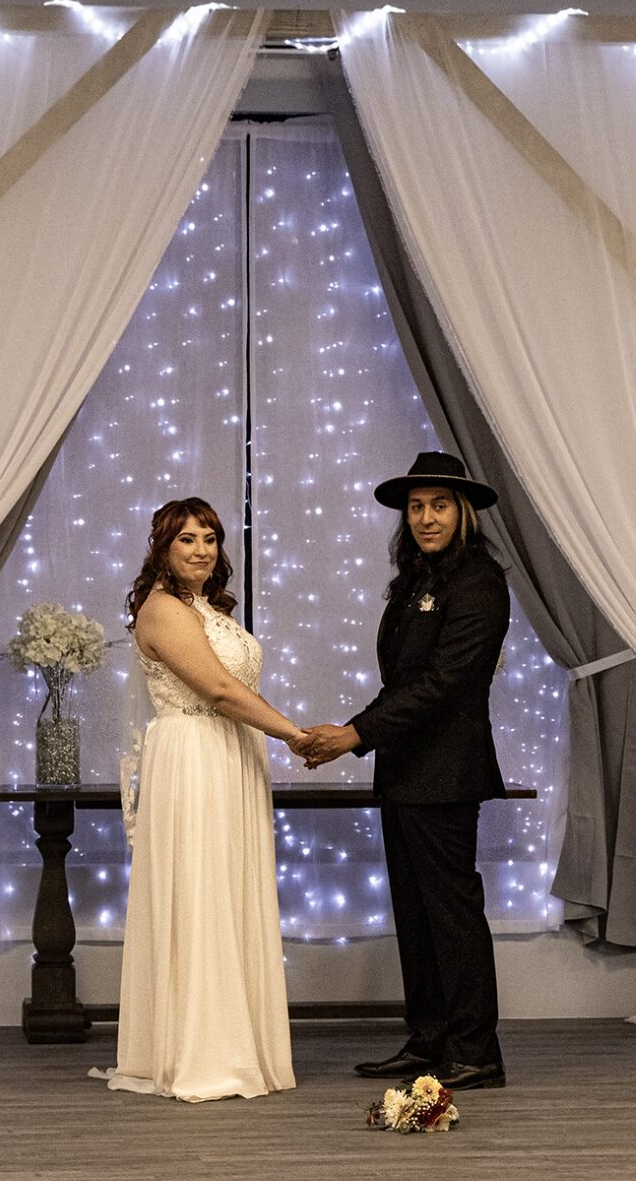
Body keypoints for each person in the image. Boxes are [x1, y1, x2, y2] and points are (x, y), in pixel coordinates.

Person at [297, 450, 511, 1094]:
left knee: (451, 915)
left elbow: (444, 682)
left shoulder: (480, 581)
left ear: (463, 513)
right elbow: (403, 682)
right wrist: (362, 735)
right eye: (416, 507)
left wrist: (354, 734)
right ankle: (431, 1041)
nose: (425, 517)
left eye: (438, 505)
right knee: (416, 916)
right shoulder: (415, 581)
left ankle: (475, 1050)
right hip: (404, 772)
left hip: (446, 776)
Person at [107, 499, 303, 1102]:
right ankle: (202, 1052)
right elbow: (218, 689)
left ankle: (237, 1038)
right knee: (200, 891)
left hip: (232, 757)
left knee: (230, 889)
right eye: (187, 538)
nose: (201, 549)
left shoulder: (205, 608)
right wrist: (297, 734)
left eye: (211, 538)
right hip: (192, 758)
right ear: (162, 547)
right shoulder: (161, 610)